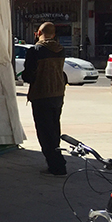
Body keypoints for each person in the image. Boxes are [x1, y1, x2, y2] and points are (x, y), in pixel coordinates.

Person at [22, 22, 67, 177]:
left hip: (41, 95)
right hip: (58, 93)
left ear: (38, 32)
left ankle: (57, 165)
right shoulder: (61, 50)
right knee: (54, 129)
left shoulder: (35, 51)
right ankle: (58, 161)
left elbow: (28, 75)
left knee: (44, 132)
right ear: (53, 35)